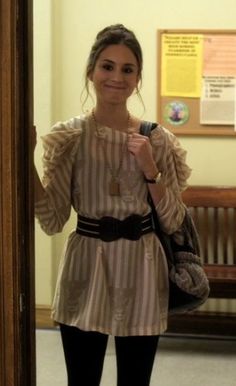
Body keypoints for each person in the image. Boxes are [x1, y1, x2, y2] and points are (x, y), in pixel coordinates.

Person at [34, 24, 191, 386]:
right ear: (91, 71)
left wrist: (151, 169)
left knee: (135, 381)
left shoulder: (157, 138)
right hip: (86, 269)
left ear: (137, 78)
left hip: (143, 268)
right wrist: (25, 161)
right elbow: (53, 219)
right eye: (107, 66)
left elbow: (172, 220)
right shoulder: (69, 137)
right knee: (82, 379)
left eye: (127, 69)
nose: (116, 77)